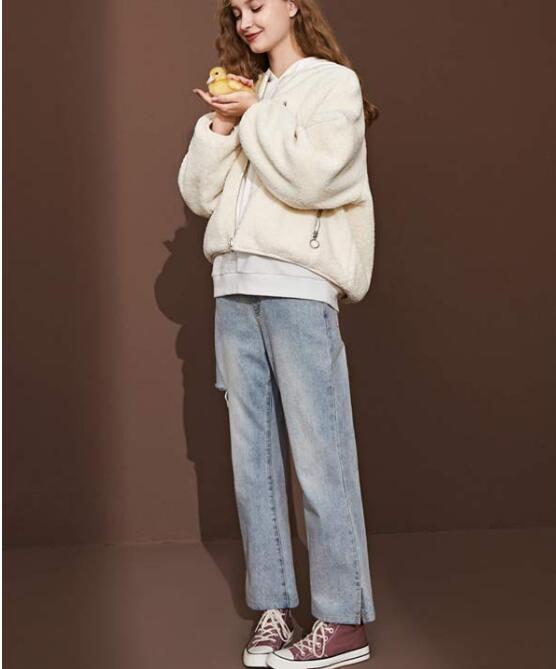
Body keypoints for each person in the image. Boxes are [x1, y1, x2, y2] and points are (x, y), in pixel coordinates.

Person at [177, 1, 380, 667]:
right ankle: (273, 607)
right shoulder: (250, 92)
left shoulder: (333, 85)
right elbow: (201, 195)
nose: (245, 20)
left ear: (294, 4)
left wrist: (254, 114)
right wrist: (219, 124)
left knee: (322, 456)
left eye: (257, 4)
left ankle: (342, 619)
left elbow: (316, 177)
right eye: (236, 10)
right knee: (253, 462)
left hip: (297, 286)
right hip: (233, 288)